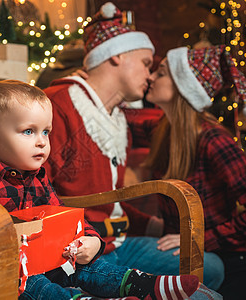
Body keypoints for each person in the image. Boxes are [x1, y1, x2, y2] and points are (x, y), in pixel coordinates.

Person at [0, 80, 202, 300]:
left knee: (86, 265)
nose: (42, 142)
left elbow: (66, 217)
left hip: (42, 262)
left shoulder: (38, 177)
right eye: (29, 131)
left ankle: (141, 285)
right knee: (28, 280)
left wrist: (90, 240)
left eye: (46, 132)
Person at [43, 1, 225, 292]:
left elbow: (106, 199)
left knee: (212, 266)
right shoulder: (60, 104)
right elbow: (37, 191)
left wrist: (153, 226)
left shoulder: (117, 117)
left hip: (120, 241)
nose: (150, 75)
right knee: (202, 292)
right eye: (145, 63)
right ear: (116, 56)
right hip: (85, 249)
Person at [143, 45, 246, 299]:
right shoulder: (164, 131)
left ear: (183, 86)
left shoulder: (213, 140)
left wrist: (200, 239)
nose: (150, 77)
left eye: (160, 73)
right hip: (189, 263)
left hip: (231, 266)